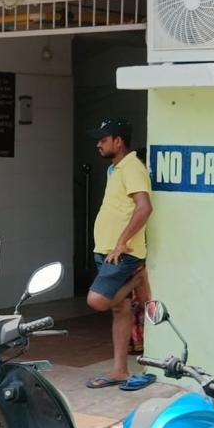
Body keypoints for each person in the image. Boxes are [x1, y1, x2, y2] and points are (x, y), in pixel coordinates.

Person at [84, 119, 153, 390]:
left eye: (103, 139)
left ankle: (138, 280)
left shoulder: (132, 166)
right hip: (106, 251)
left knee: (97, 301)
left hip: (122, 254)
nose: (98, 144)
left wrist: (122, 243)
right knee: (119, 309)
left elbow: (144, 207)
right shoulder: (116, 169)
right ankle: (120, 370)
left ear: (118, 141)